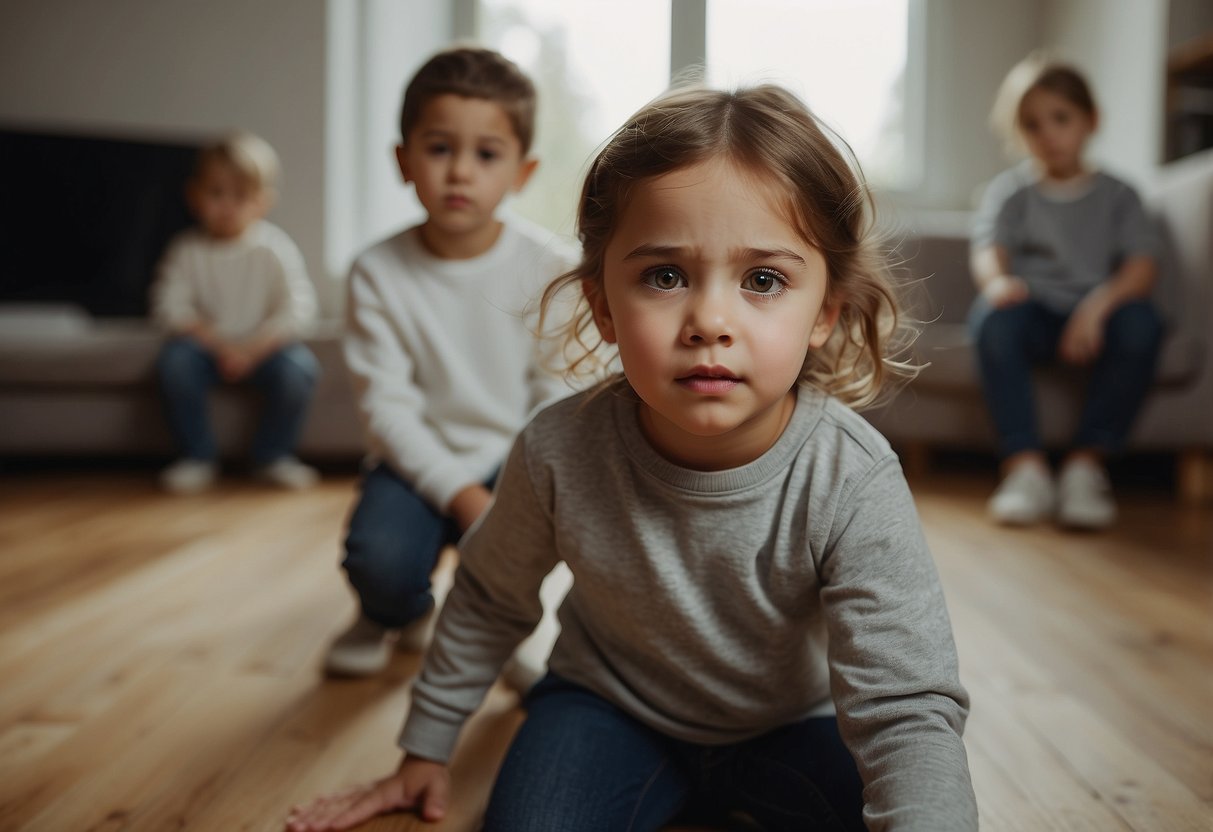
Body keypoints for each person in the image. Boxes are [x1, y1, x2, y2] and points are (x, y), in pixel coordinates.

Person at [289, 83, 977, 832]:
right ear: (603, 306)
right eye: (665, 276)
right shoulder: (557, 448)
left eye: (763, 280)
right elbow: (490, 599)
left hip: (797, 725)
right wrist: (425, 749)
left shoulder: (851, 473)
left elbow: (905, 707)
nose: (709, 321)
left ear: (826, 311)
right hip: (607, 710)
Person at [322, 47, 578, 679]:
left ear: (523, 171)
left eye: (486, 154)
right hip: (416, 460)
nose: (460, 172)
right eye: (439, 149)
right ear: (402, 161)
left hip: (517, 459)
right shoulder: (376, 272)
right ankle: (395, 611)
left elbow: (557, 395)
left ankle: (505, 624)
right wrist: (461, 495)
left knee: (520, 548)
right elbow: (387, 409)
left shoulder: (552, 268)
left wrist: (507, 488)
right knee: (377, 559)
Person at [970, 54, 1162, 529]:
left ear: (1090, 121)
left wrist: (1098, 307)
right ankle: (1025, 468)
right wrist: (998, 283)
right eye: (1032, 124)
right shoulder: (1010, 194)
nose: (1048, 134)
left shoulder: (1120, 195)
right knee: (992, 319)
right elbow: (988, 250)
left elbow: (1141, 266)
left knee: (1142, 324)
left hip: (1098, 314)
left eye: (1061, 118)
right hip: (1033, 310)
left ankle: (1085, 467)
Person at [152, 131, 320, 495]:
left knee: (300, 368)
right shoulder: (186, 250)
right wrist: (219, 346)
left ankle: (272, 456)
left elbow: (299, 308)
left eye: (240, 195)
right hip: (208, 349)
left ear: (262, 201)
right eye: (216, 193)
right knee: (175, 362)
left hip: (264, 349)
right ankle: (197, 457)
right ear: (195, 196)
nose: (227, 205)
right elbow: (169, 308)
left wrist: (254, 349)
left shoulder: (274, 248)